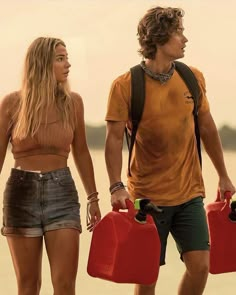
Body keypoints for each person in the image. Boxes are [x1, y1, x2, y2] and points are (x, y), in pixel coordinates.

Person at [105, 6, 235, 295]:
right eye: (179, 33)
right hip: (147, 198)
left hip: (189, 193)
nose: (185, 39)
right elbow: (113, 139)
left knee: (201, 265)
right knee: (147, 273)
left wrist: (223, 175)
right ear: (160, 37)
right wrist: (116, 186)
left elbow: (208, 128)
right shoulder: (126, 85)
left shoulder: (193, 78)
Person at [0, 37, 101, 295]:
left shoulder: (72, 102)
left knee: (65, 285)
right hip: (21, 194)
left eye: (66, 57)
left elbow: (81, 152)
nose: (68, 64)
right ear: (43, 63)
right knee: (28, 285)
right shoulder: (12, 104)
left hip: (62, 193)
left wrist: (93, 198)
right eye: (60, 58)